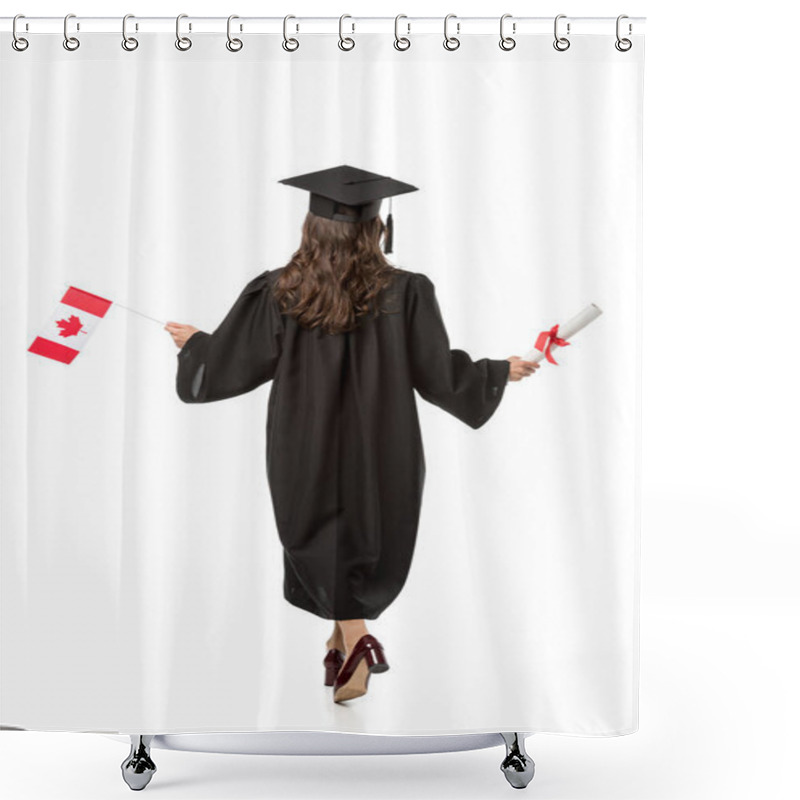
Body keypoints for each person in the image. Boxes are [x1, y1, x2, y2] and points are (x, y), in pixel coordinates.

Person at [164, 165, 540, 703]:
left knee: (317, 532)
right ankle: (349, 643)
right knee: (367, 534)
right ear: (374, 229)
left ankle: (353, 641)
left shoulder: (280, 290)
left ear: (311, 227)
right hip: (383, 443)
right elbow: (437, 373)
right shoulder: (407, 291)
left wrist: (197, 344)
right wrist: (496, 371)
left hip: (301, 443)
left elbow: (229, 363)